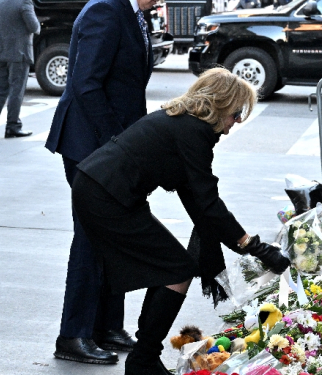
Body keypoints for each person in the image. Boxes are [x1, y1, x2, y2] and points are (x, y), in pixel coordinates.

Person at [71, 68, 290, 374]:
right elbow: (206, 201)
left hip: (102, 189)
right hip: (106, 196)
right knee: (176, 267)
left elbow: (196, 196)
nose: (235, 124)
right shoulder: (194, 131)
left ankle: (143, 356)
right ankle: (143, 358)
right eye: (237, 113)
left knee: (174, 266)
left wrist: (244, 242)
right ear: (222, 105)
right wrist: (252, 245)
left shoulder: (186, 124)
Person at [44, 0, 157, 365]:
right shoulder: (105, 10)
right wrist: (117, 144)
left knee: (113, 233)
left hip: (109, 143)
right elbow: (85, 84)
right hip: (90, 144)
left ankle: (106, 325)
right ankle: (74, 334)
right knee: (92, 236)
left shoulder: (132, 13)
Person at [0, 0, 40, 138]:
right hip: (19, 52)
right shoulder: (23, 2)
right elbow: (34, 27)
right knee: (16, 89)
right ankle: (12, 126)